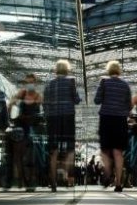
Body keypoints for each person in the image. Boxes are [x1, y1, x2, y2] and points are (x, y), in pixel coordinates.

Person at [43, 59, 82, 192]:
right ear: (67, 69)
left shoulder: (49, 84)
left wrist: (48, 116)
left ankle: (53, 182)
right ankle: (69, 178)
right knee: (70, 149)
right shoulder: (70, 81)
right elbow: (76, 100)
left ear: (56, 70)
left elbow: (45, 103)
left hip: (52, 119)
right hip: (67, 117)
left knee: (53, 151)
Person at [94, 60, 132, 192]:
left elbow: (96, 100)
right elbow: (129, 105)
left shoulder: (104, 82)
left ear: (108, 70)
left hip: (106, 119)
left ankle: (108, 170)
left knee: (105, 149)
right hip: (120, 120)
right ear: (119, 71)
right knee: (118, 152)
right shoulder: (125, 85)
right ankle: (118, 182)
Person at [7, 72, 43, 191]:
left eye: (31, 82)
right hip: (20, 126)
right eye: (27, 82)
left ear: (35, 83)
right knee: (18, 154)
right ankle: (21, 180)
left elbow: (43, 110)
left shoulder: (38, 96)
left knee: (31, 155)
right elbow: (11, 103)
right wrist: (10, 119)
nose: (29, 84)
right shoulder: (21, 93)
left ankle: (31, 180)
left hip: (32, 127)